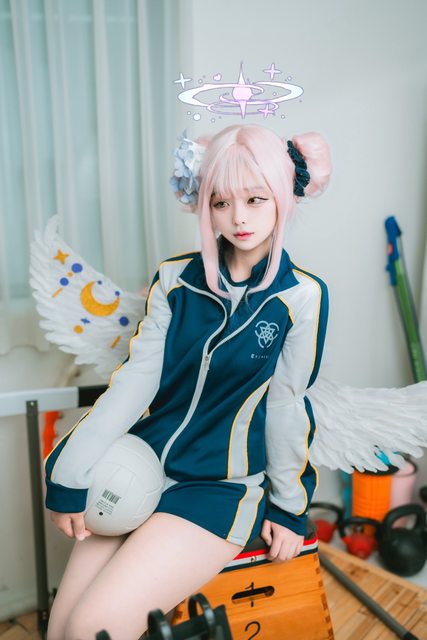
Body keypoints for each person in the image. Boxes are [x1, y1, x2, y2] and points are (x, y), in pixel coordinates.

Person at [44, 123, 332, 640]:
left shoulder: (301, 298)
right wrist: (70, 470)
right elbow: (133, 384)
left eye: (255, 198)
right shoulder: (174, 280)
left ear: (283, 198)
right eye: (221, 202)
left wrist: (290, 507)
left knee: (90, 629)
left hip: (218, 489)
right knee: (62, 629)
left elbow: (287, 408)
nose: (239, 217)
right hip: (138, 464)